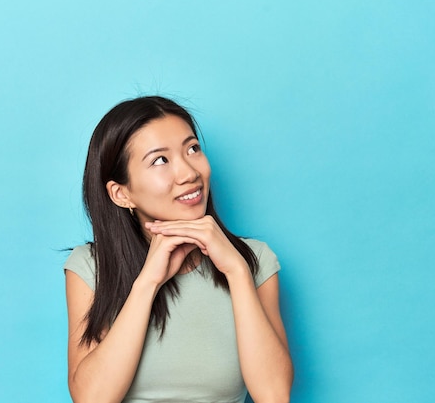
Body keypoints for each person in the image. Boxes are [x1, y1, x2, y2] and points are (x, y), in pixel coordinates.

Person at [64, 96, 293, 403]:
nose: (189, 173)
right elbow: (91, 399)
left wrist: (236, 271)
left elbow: (274, 395)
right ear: (121, 194)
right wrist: (148, 283)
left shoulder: (255, 261)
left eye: (192, 149)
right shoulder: (91, 267)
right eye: (161, 160)